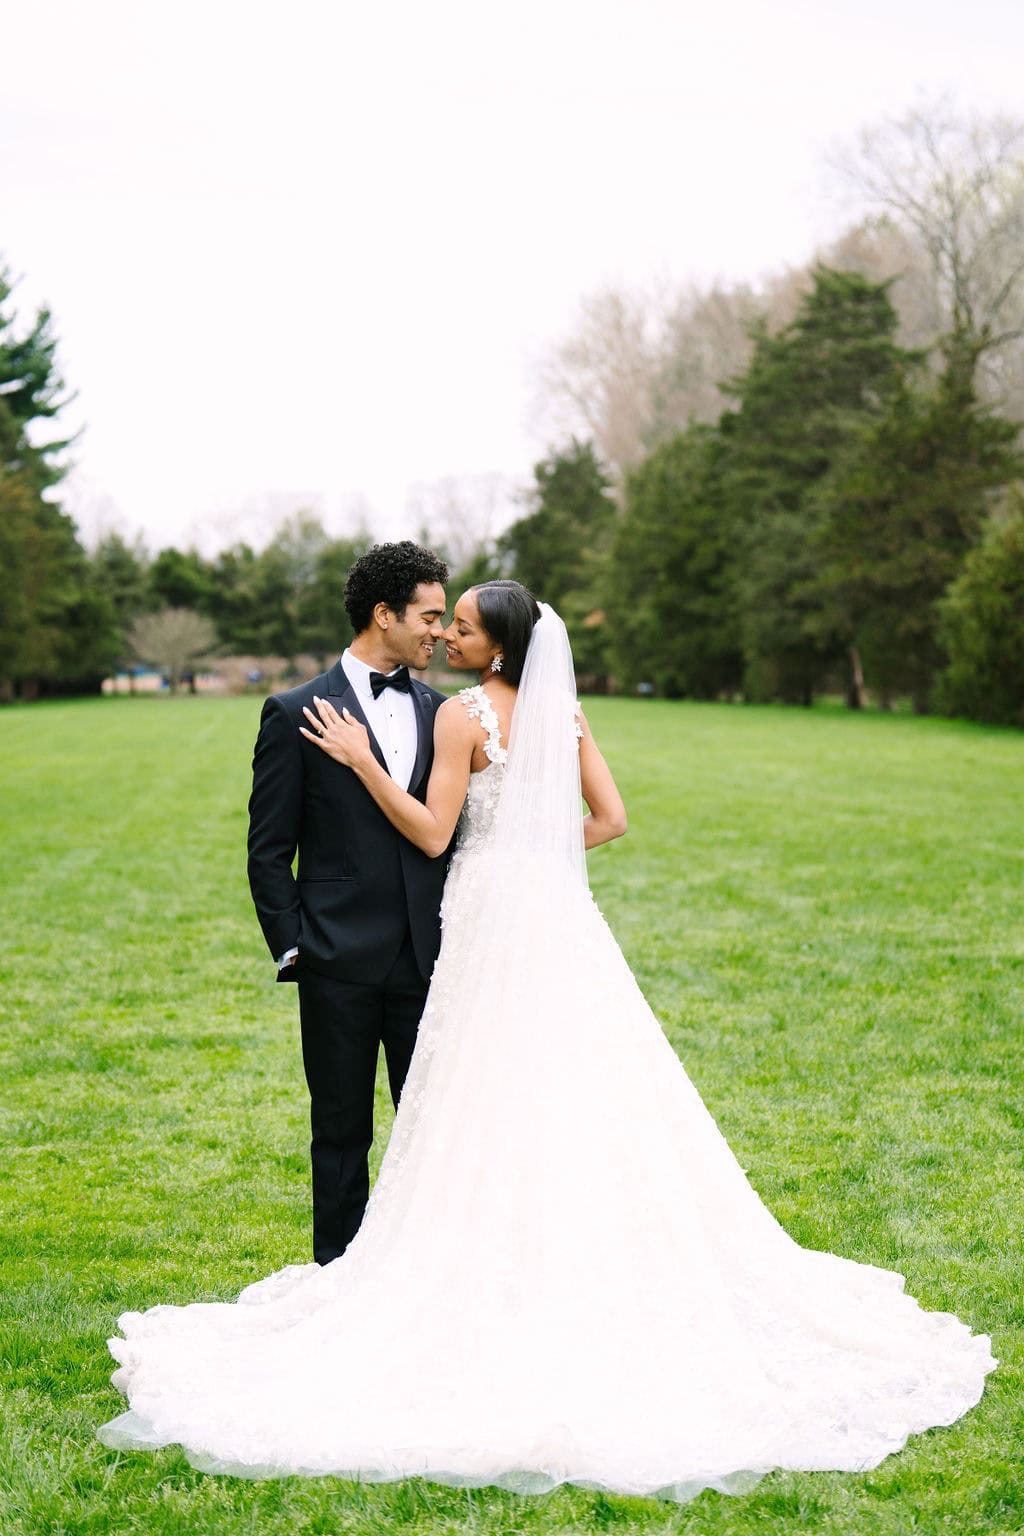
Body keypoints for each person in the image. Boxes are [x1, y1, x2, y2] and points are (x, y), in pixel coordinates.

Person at [99, 582, 995, 1502]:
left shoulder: (460, 719)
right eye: (441, 619)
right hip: (558, 919)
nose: (448, 633)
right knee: (573, 1092)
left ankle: (463, 1279)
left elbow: (433, 831)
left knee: (475, 1102)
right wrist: (534, 848)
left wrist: (369, 766)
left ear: (497, 649)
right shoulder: (564, 715)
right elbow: (611, 822)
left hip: (487, 921)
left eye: (465, 626)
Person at [245, 540, 449, 1264]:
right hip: (335, 961)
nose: (439, 631)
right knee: (339, 1135)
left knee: (433, 1135)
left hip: (431, 961)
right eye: (428, 616)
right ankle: (335, 1288)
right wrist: (296, 944)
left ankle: (423, 1283)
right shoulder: (295, 711)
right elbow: (269, 848)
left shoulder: (445, 713)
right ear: (383, 614)